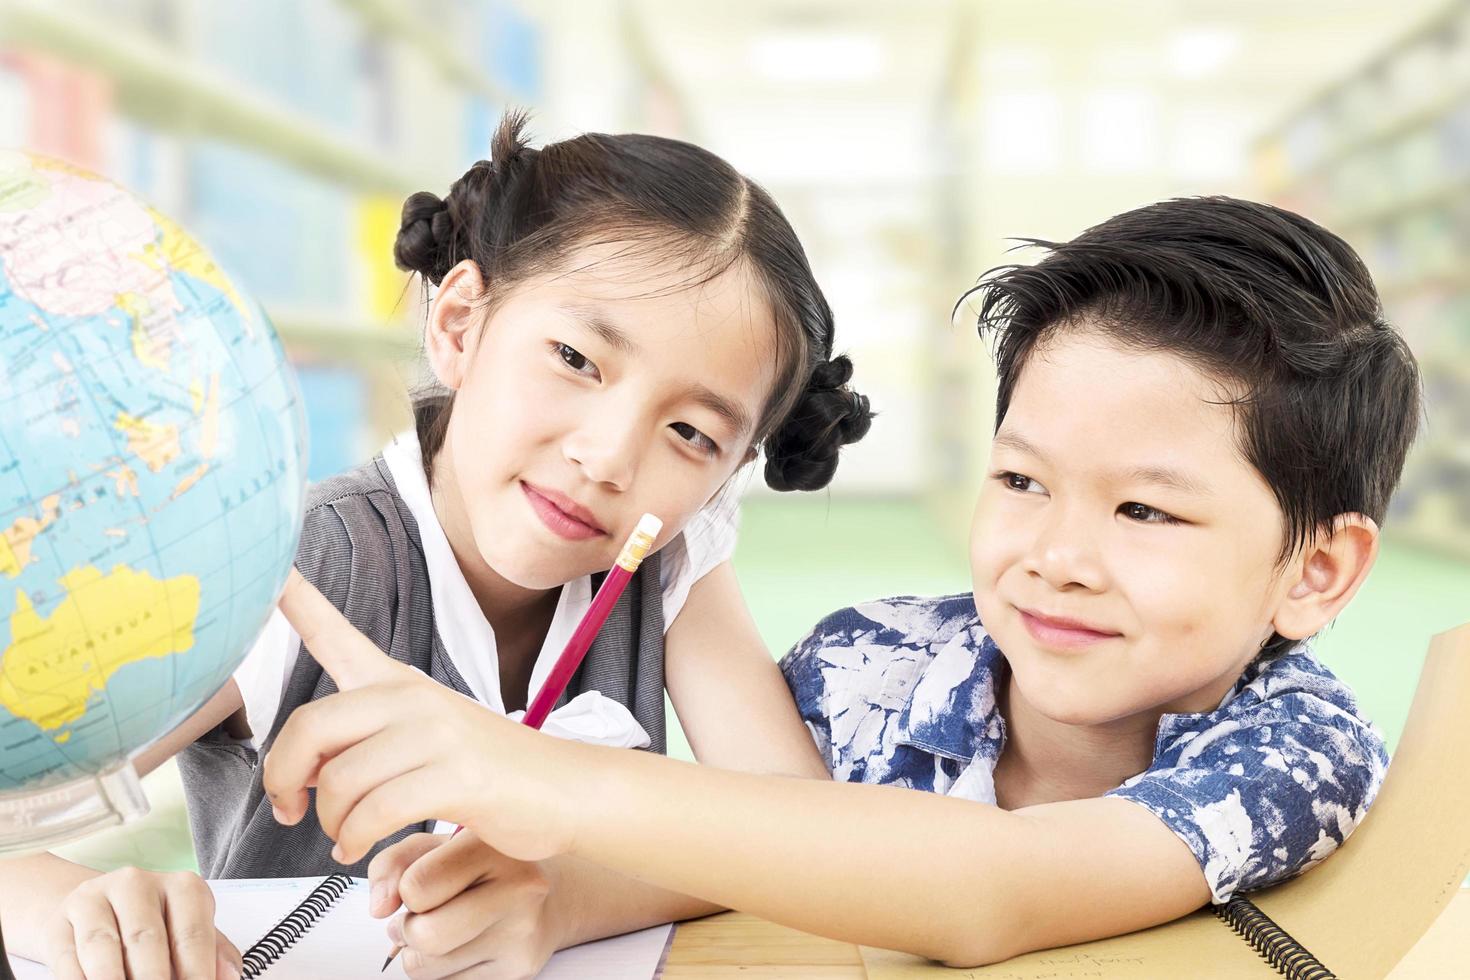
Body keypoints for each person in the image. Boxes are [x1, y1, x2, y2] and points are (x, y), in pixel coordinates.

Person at [260, 196, 1419, 967]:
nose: (1054, 554)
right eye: (1022, 480)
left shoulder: (1296, 752)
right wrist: (558, 894)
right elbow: (755, 844)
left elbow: (990, 891)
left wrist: (536, 774)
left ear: (1315, 572)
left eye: (1145, 508)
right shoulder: (875, 660)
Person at [4, 112, 872, 980]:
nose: (608, 458)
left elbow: (799, 836)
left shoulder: (663, 562)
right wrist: (70, 908)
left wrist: (570, 898)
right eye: (575, 357)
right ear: (459, 324)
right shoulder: (298, 566)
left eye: (690, 432)